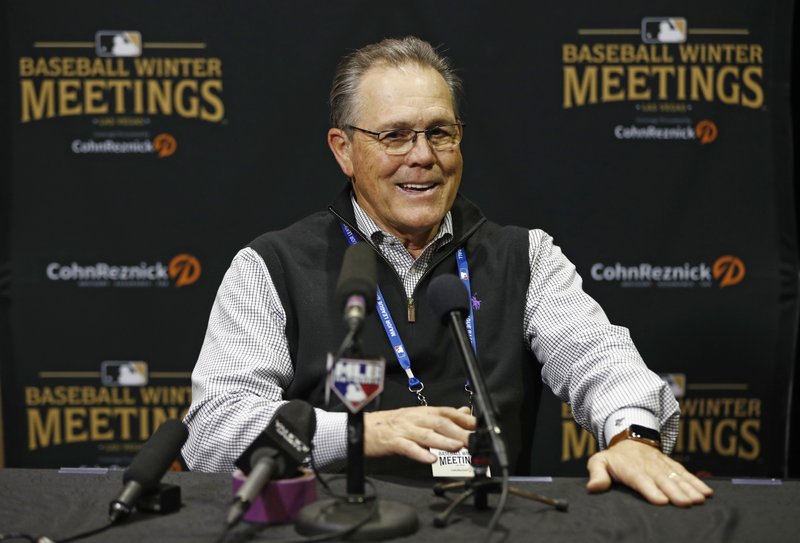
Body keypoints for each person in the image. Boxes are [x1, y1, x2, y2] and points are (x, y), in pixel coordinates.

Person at [182, 36, 712, 507]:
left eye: (439, 132)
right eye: (394, 136)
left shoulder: (525, 257)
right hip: (335, 527)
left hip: (484, 522)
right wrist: (357, 435)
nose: (422, 156)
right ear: (344, 150)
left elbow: (602, 360)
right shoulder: (271, 265)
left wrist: (633, 440)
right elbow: (212, 432)